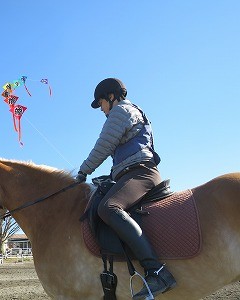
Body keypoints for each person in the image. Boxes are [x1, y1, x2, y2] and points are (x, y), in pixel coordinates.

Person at [76, 78, 176, 299]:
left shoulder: (120, 111)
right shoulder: (127, 111)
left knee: (108, 207)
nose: (101, 109)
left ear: (111, 97)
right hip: (131, 172)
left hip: (141, 173)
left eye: (101, 103)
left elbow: (103, 146)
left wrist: (83, 172)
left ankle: (156, 271)